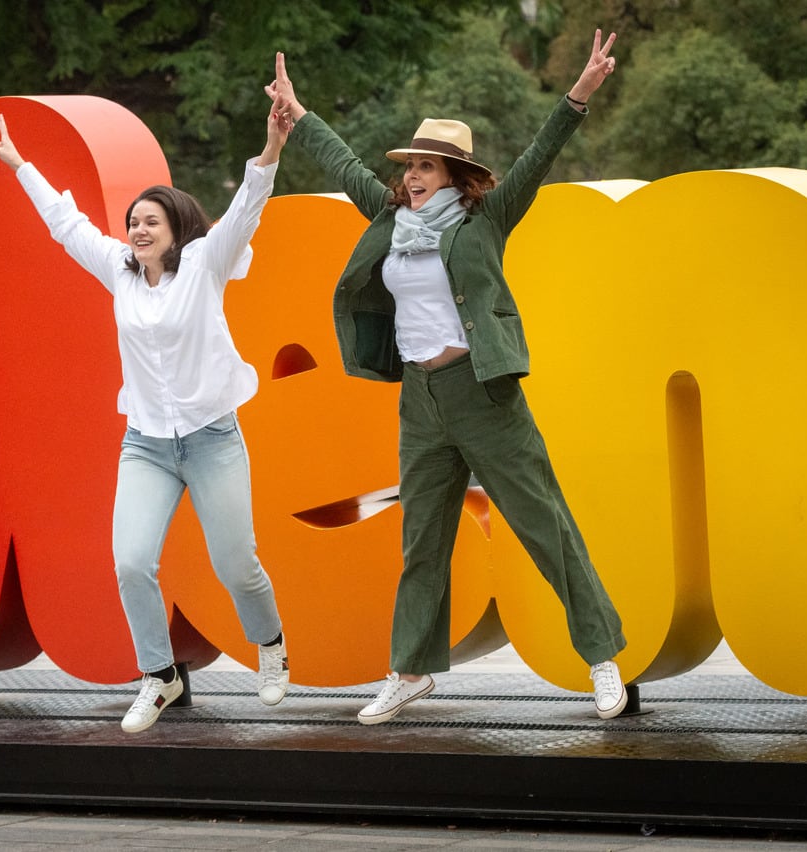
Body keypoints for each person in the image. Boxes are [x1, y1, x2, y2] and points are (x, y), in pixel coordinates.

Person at [265, 30, 629, 723]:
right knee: (422, 542)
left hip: (484, 394)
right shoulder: (390, 218)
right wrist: (298, 112)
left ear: (457, 176)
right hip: (421, 401)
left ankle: (602, 659)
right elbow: (343, 166)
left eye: (428, 166)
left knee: (543, 525)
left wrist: (579, 93)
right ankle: (409, 670)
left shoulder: (485, 217)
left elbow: (537, 157)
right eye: (410, 166)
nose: (413, 176)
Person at [0, 98, 293, 733]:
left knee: (237, 561)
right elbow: (66, 225)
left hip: (212, 439)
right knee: (130, 562)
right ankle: (158, 675)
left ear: (177, 227)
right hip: (147, 446)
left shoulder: (205, 264)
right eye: (133, 221)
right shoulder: (119, 273)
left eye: (151, 220)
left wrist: (271, 149)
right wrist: (21, 166)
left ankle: (270, 644)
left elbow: (246, 208)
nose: (139, 229)